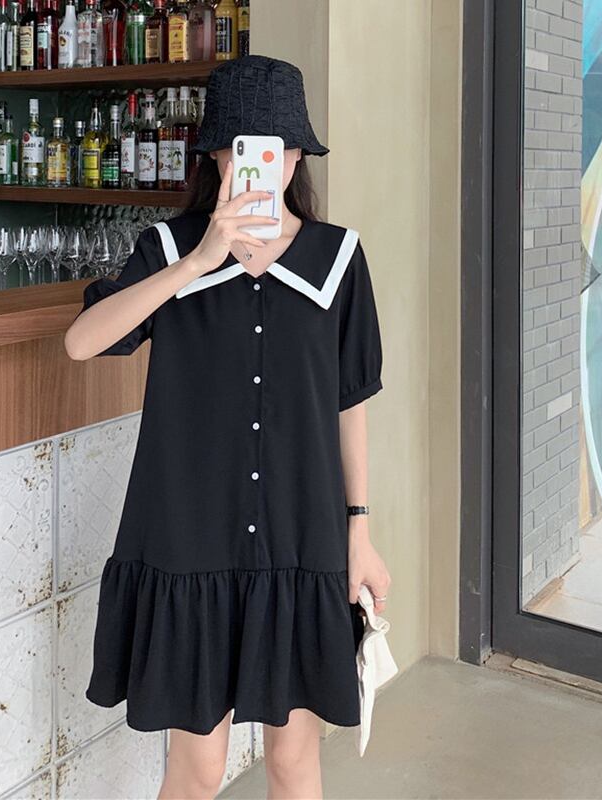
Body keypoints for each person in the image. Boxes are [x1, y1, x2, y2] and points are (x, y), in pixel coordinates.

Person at [64, 54, 391, 800]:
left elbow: (350, 402)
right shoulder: (168, 250)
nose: (263, 165)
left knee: (293, 764)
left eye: (280, 149)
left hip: (300, 538)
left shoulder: (339, 259)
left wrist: (360, 530)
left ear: (298, 157)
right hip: (191, 543)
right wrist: (200, 260)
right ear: (215, 157)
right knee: (199, 767)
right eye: (243, 149)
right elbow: (82, 343)